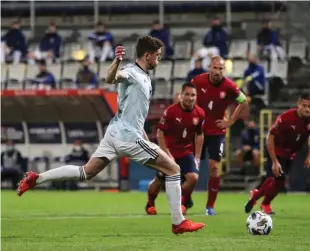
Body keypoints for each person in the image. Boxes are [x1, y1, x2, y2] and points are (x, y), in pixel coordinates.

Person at [17, 36, 205, 234]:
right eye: (157, 56)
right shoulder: (132, 72)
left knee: (86, 172)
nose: (158, 60)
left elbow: (135, 115)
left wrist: (147, 141)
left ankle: (36, 178)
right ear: (147, 55)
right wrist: (116, 61)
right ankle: (178, 222)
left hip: (115, 133)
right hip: (127, 137)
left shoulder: (145, 77)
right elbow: (110, 78)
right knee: (174, 170)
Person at [191, 56, 249, 215]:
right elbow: (186, 96)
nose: (217, 71)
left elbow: (243, 102)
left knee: (214, 167)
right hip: (197, 131)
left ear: (224, 70)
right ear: (210, 67)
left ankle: (210, 206)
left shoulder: (229, 86)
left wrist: (230, 121)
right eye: (215, 68)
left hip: (217, 132)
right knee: (189, 169)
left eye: (221, 68)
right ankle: (184, 201)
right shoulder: (198, 81)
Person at [244, 93, 310, 215]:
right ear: (298, 105)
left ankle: (259, 198)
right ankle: (263, 202)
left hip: (291, 154)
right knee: (273, 179)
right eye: (304, 105)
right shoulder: (286, 118)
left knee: (279, 183)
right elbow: (270, 137)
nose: (307, 109)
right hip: (276, 150)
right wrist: (274, 161)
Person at [146, 82, 205, 215]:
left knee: (193, 178)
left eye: (193, 95)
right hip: (169, 151)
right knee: (159, 179)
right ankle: (150, 203)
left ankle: (183, 202)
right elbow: (160, 134)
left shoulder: (200, 113)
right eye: (187, 94)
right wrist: (165, 153)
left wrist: (197, 157)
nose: (190, 98)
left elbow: (199, 135)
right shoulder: (171, 112)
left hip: (186, 152)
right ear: (181, 95)